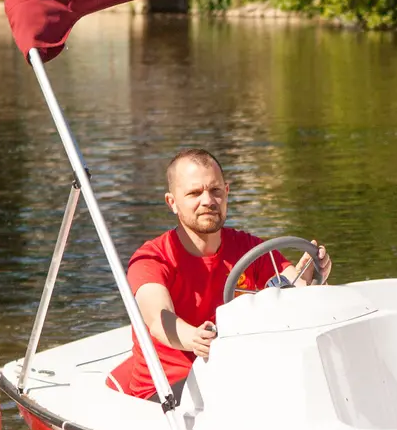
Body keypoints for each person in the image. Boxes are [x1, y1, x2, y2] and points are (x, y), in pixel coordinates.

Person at [105, 148, 331, 400]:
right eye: (194, 193)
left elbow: (291, 291)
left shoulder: (249, 248)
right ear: (172, 202)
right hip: (168, 390)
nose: (208, 201)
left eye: (215, 191)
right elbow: (159, 320)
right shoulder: (152, 259)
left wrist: (311, 275)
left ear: (226, 192)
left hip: (230, 374)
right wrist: (193, 338)